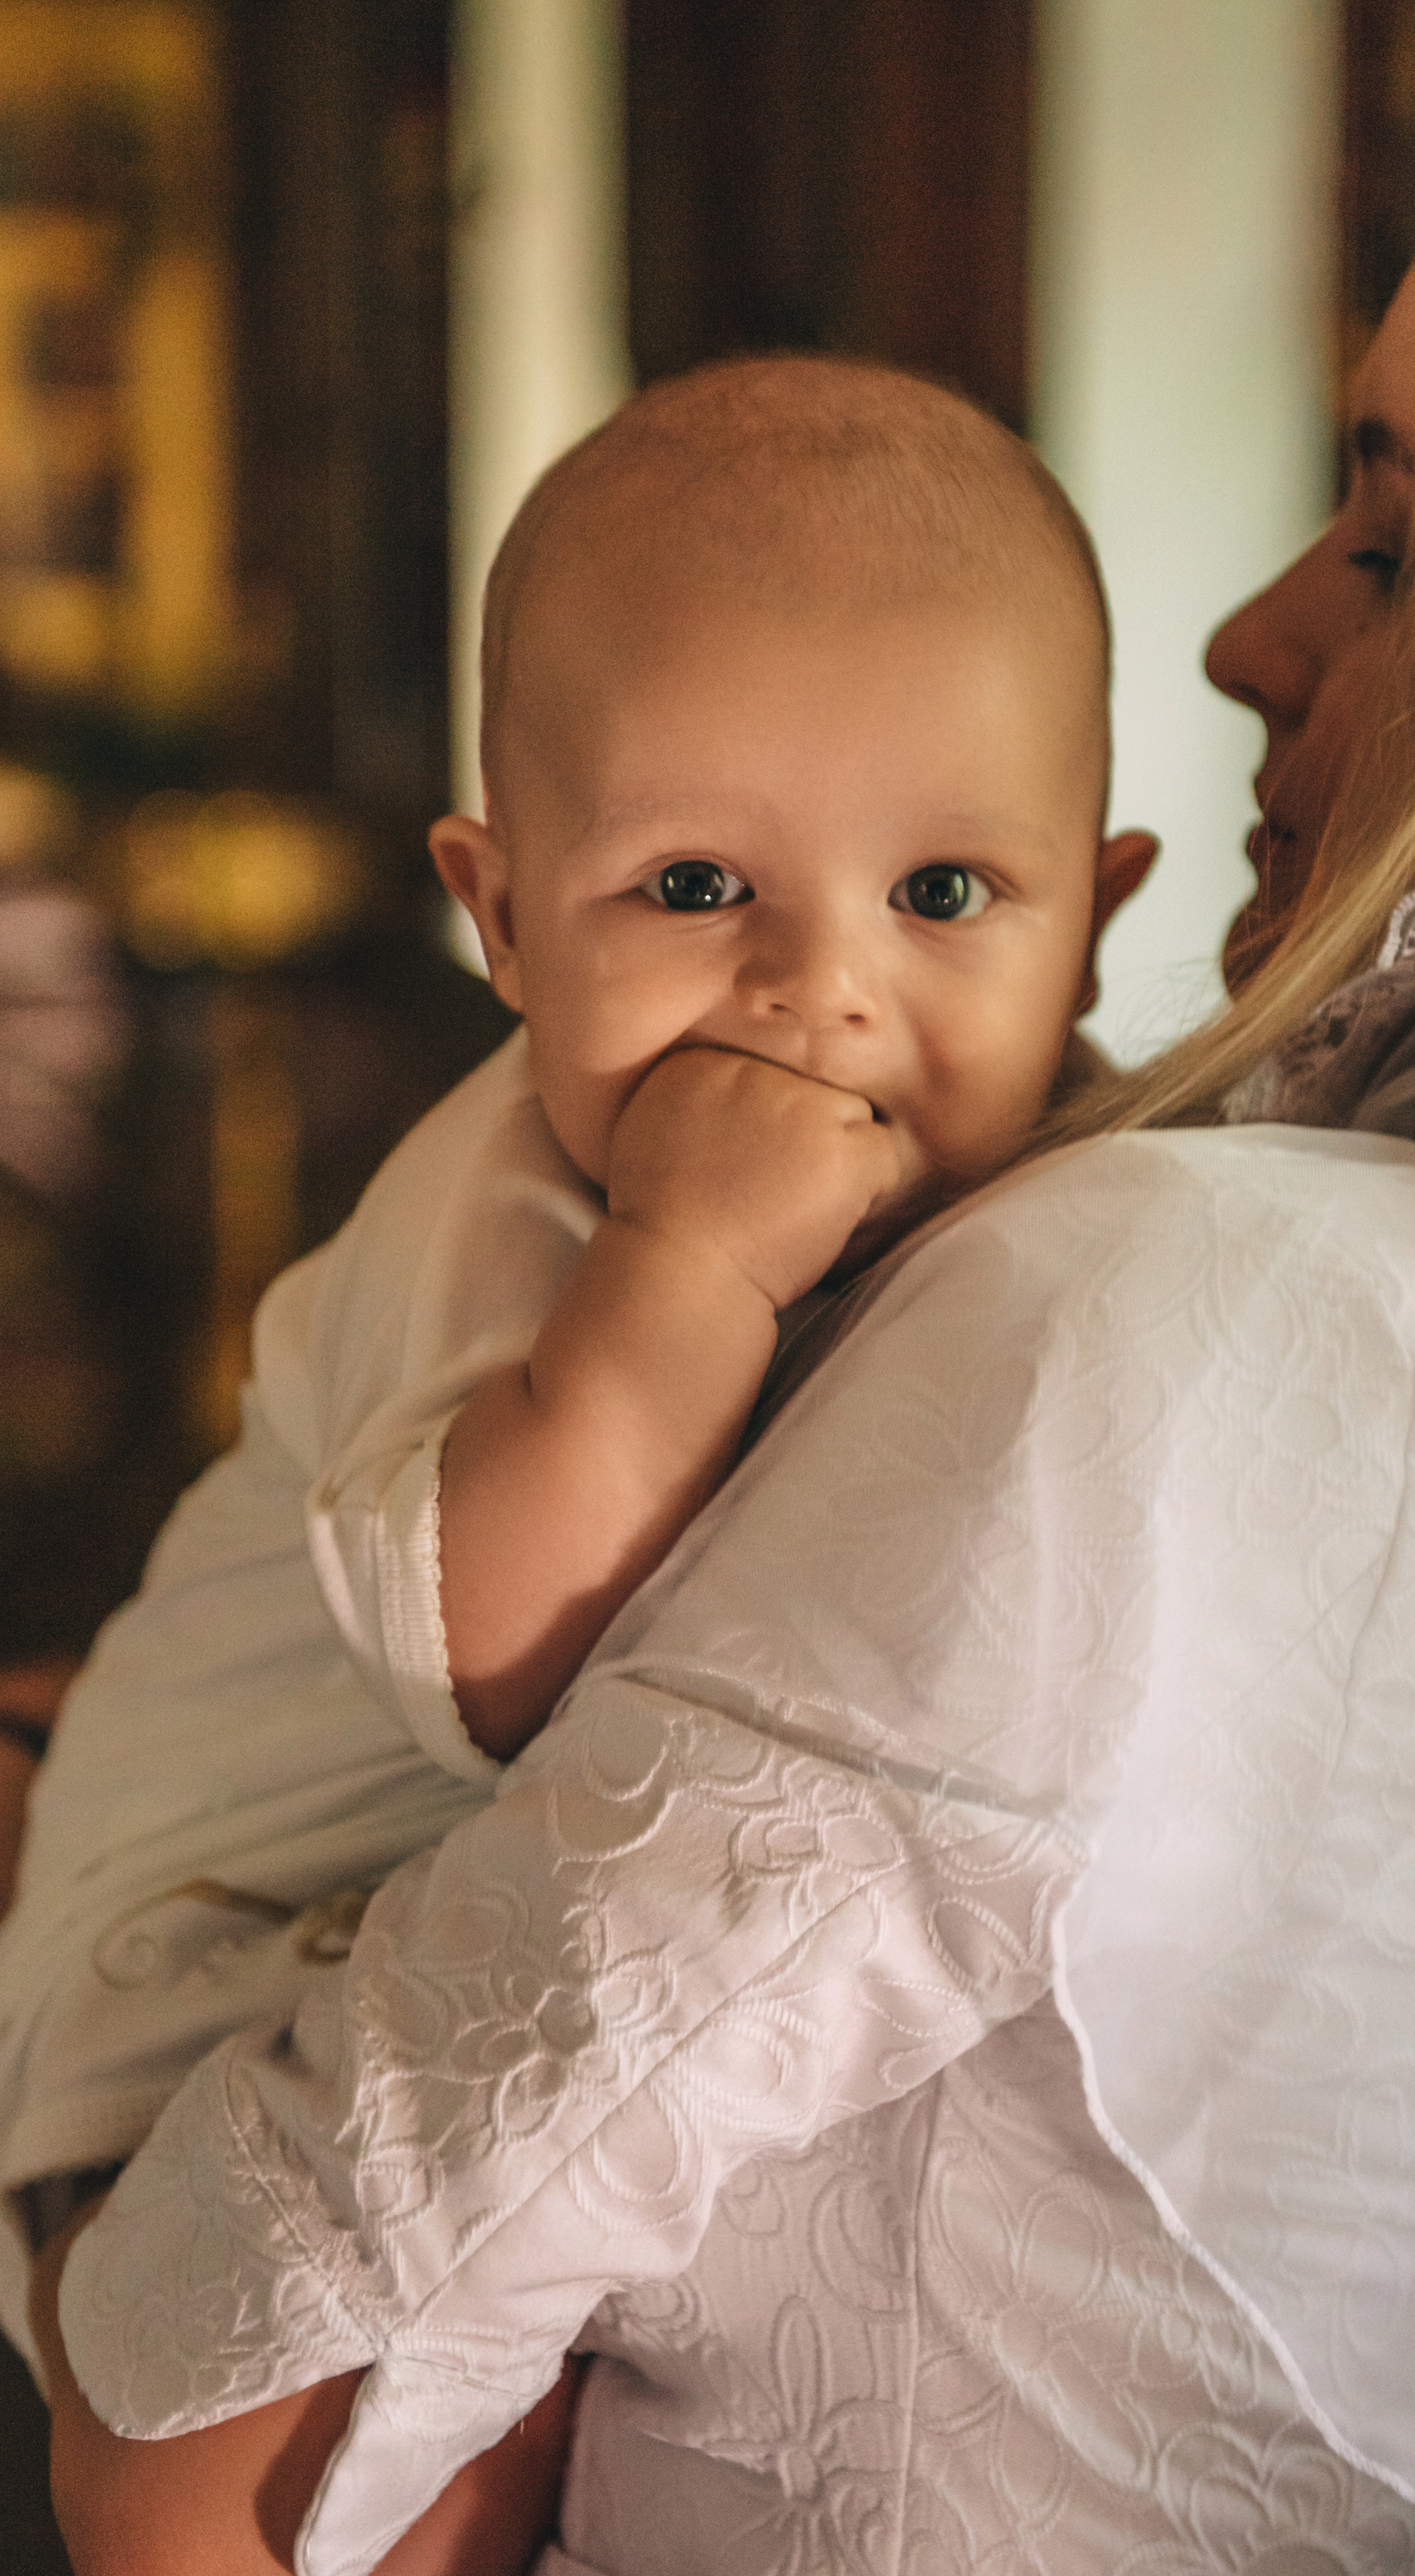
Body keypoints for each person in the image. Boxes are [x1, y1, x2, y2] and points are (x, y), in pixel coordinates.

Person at [42, 82, 1415, 2576]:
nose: (1252, 633)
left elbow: (203, 2407)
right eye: (701, 876)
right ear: (498, 910)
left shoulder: (1168, 1302)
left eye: (1387, 537)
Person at [0, 355, 1150, 2553]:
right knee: (342, 2485)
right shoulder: (519, 1207)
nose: (817, 991)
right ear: (502, 912)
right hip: (202, 1992)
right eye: (699, 883)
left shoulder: (1071, 1174)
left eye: (945, 893)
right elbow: (502, 1659)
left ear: (1091, 905)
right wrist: (688, 1266)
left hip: (464, 1979)